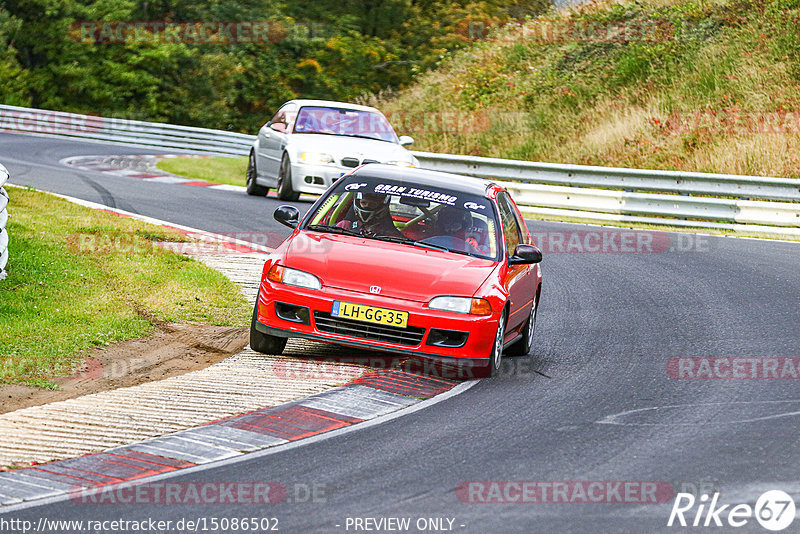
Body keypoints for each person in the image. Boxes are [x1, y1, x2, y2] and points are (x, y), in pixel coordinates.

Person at [337, 192, 404, 238]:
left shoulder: (392, 235)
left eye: (372, 204)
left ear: (380, 207)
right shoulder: (345, 226)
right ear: (358, 203)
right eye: (363, 203)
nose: (367, 206)